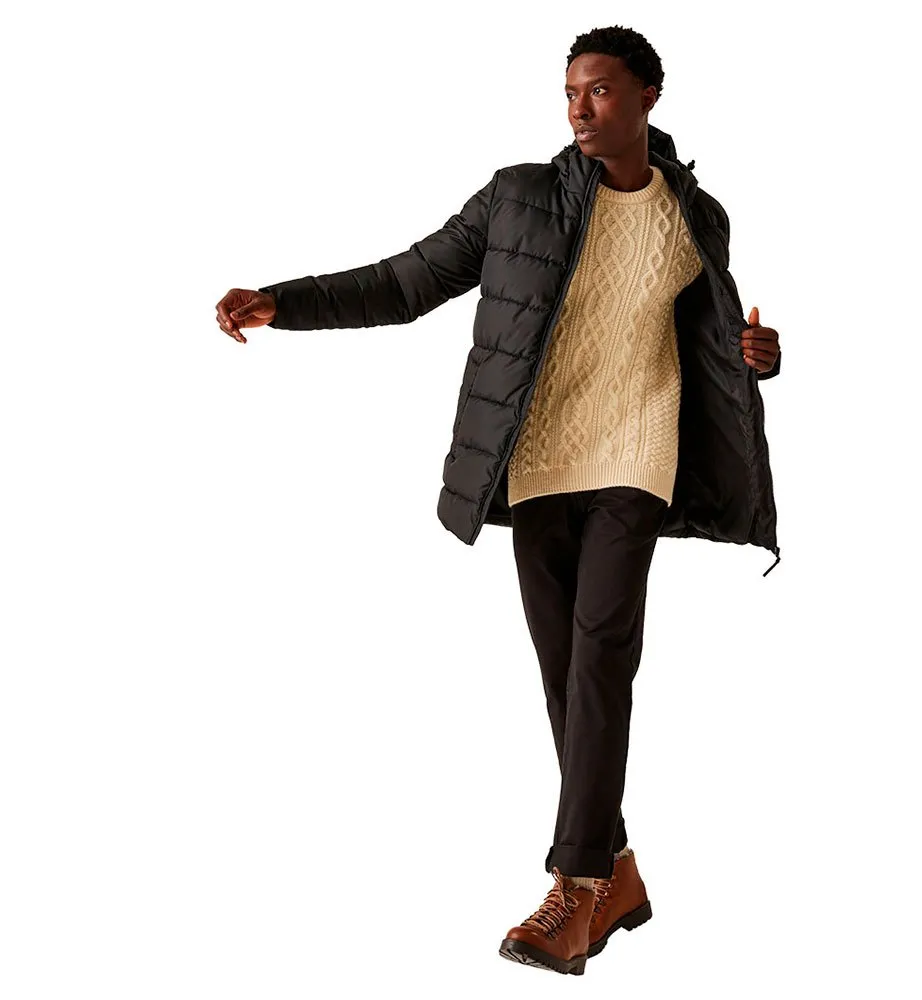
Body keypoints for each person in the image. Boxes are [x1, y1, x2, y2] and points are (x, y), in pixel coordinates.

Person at [215, 24, 781, 977]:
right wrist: (285, 302)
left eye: (601, 90)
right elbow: (406, 281)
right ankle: (618, 871)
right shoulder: (518, 197)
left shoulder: (697, 217)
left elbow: (714, 334)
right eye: (570, 92)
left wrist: (761, 357)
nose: (580, 109)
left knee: (601, 659)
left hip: (638, 450)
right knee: (567, 675)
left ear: (648, 96)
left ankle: (575, 887)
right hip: (538, 460)